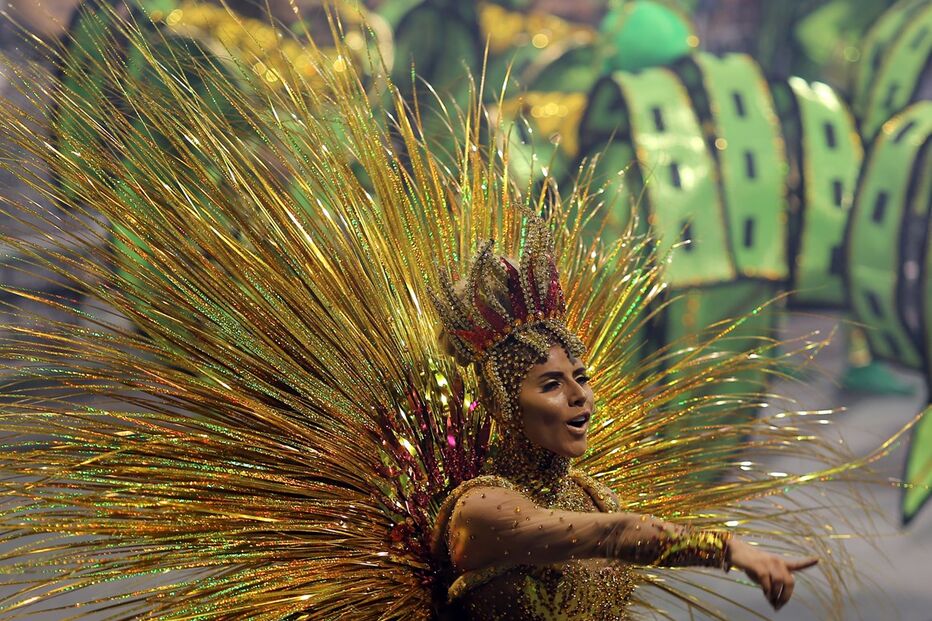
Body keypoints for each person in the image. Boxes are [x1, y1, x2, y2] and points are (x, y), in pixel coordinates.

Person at [429, 226, 818, 619]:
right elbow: (612, 534)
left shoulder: (594, 497)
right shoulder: (481, 508)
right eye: (550, 385)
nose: (578, 395)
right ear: (501, 406)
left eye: (581, 378)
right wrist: (727, 549)